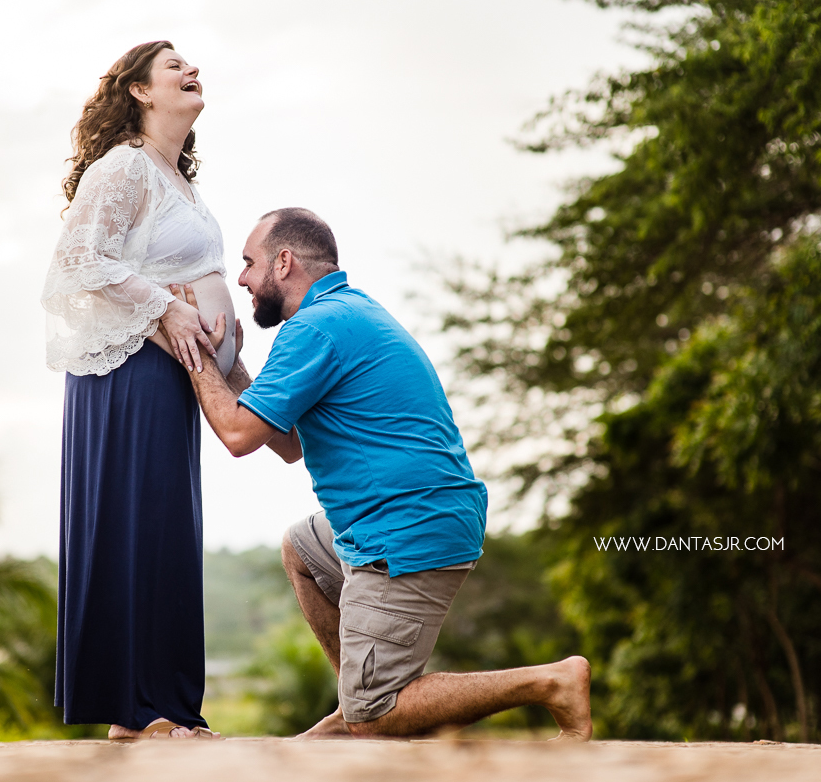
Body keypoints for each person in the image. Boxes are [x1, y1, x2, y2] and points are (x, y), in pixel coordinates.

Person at [169, 207, 594, 740]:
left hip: (406, 527)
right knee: (302, 548)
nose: (242, 278)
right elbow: (289, 445)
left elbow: (235, 436)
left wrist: (192, 350)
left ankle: (547, 683)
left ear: (284, 262)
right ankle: (359, 700)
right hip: (415, 514)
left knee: (378, 715)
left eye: (250, 263)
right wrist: (231, 368)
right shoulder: (346, 313)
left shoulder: (314, 329)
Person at [40, 40, 234, 740]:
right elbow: (76, 260)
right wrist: (168, 307)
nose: (192, 70)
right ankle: (142, 708)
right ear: (141, 91)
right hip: (129, 371)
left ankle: (166, 708)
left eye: (194, 64)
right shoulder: (124, 166)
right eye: (174, 65)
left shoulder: (177, 179)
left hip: (176, 376)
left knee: (169, 534)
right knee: (140, 527)